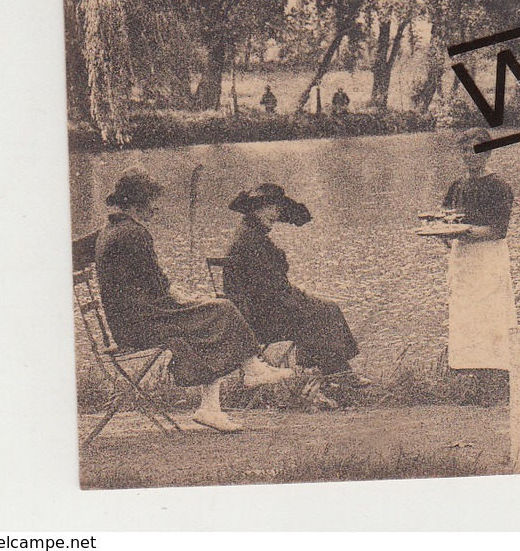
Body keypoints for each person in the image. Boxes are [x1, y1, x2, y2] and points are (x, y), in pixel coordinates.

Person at [93, 168, 294, 433]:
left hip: (131, 320)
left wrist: (188, 302)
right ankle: (247, 373)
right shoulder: (133, 234)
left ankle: (219, 400)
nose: (156, 209)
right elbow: (157, 285)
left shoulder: (111, 229)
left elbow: (151, 285)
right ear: (137, 202)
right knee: (221, 309)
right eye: (152, 201)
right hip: (142, 324)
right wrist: (187, 301)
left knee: (212, 313)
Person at [222, 183, 365, 404]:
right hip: (258, 318)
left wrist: (301, 299)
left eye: (278, 209)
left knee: (322, 309)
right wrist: (302, 300)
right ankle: (337, 377)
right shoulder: (251, 241)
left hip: (256, 310)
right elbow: (269, 290)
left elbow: (271, 287)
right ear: (254, 209)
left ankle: (334, 376)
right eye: (269, 208)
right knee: (324, 313)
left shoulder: (251, 234)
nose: (275, 213)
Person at [434, 126, 517, 390]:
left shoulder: (498, 186)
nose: (468, 157)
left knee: (490, 311)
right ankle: (466, 368)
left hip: (488, 258)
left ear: (486, 154)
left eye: (473, 151)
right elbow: (444, 218)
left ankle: (497, 371)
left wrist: (466, 232)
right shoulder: (457, 186)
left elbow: (498, 229)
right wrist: (445, 234)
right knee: (464, 311)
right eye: (463, 152)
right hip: (463, 257)